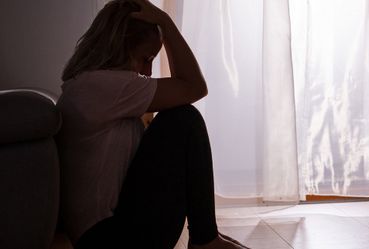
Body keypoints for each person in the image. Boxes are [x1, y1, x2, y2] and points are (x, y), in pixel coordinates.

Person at [56, 0, 249, 248]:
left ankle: (207, 237)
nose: (147, 71)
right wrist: (166, 24)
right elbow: (194, 86)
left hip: (101, 235)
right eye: (146, 58)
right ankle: (205, 239)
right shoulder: (103, 86)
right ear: (119, 46)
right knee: (182, 118)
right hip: (108, 238)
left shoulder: (85, 85)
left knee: (173, 116)